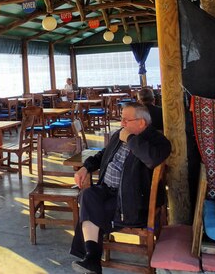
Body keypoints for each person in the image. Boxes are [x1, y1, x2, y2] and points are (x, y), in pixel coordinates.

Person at [70, 102, 171, 274]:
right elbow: (103, 154)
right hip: (108, 191)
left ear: (141, 122)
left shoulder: (158, 141)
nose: (122, 123)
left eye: (126, 120)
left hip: (132, 201)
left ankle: (92, 258)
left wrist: (130, 140)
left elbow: (152, 158)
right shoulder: (120, 134)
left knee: (93, 210)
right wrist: (86, 167)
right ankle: (92, 258)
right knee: (87, 195)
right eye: (121, 119)